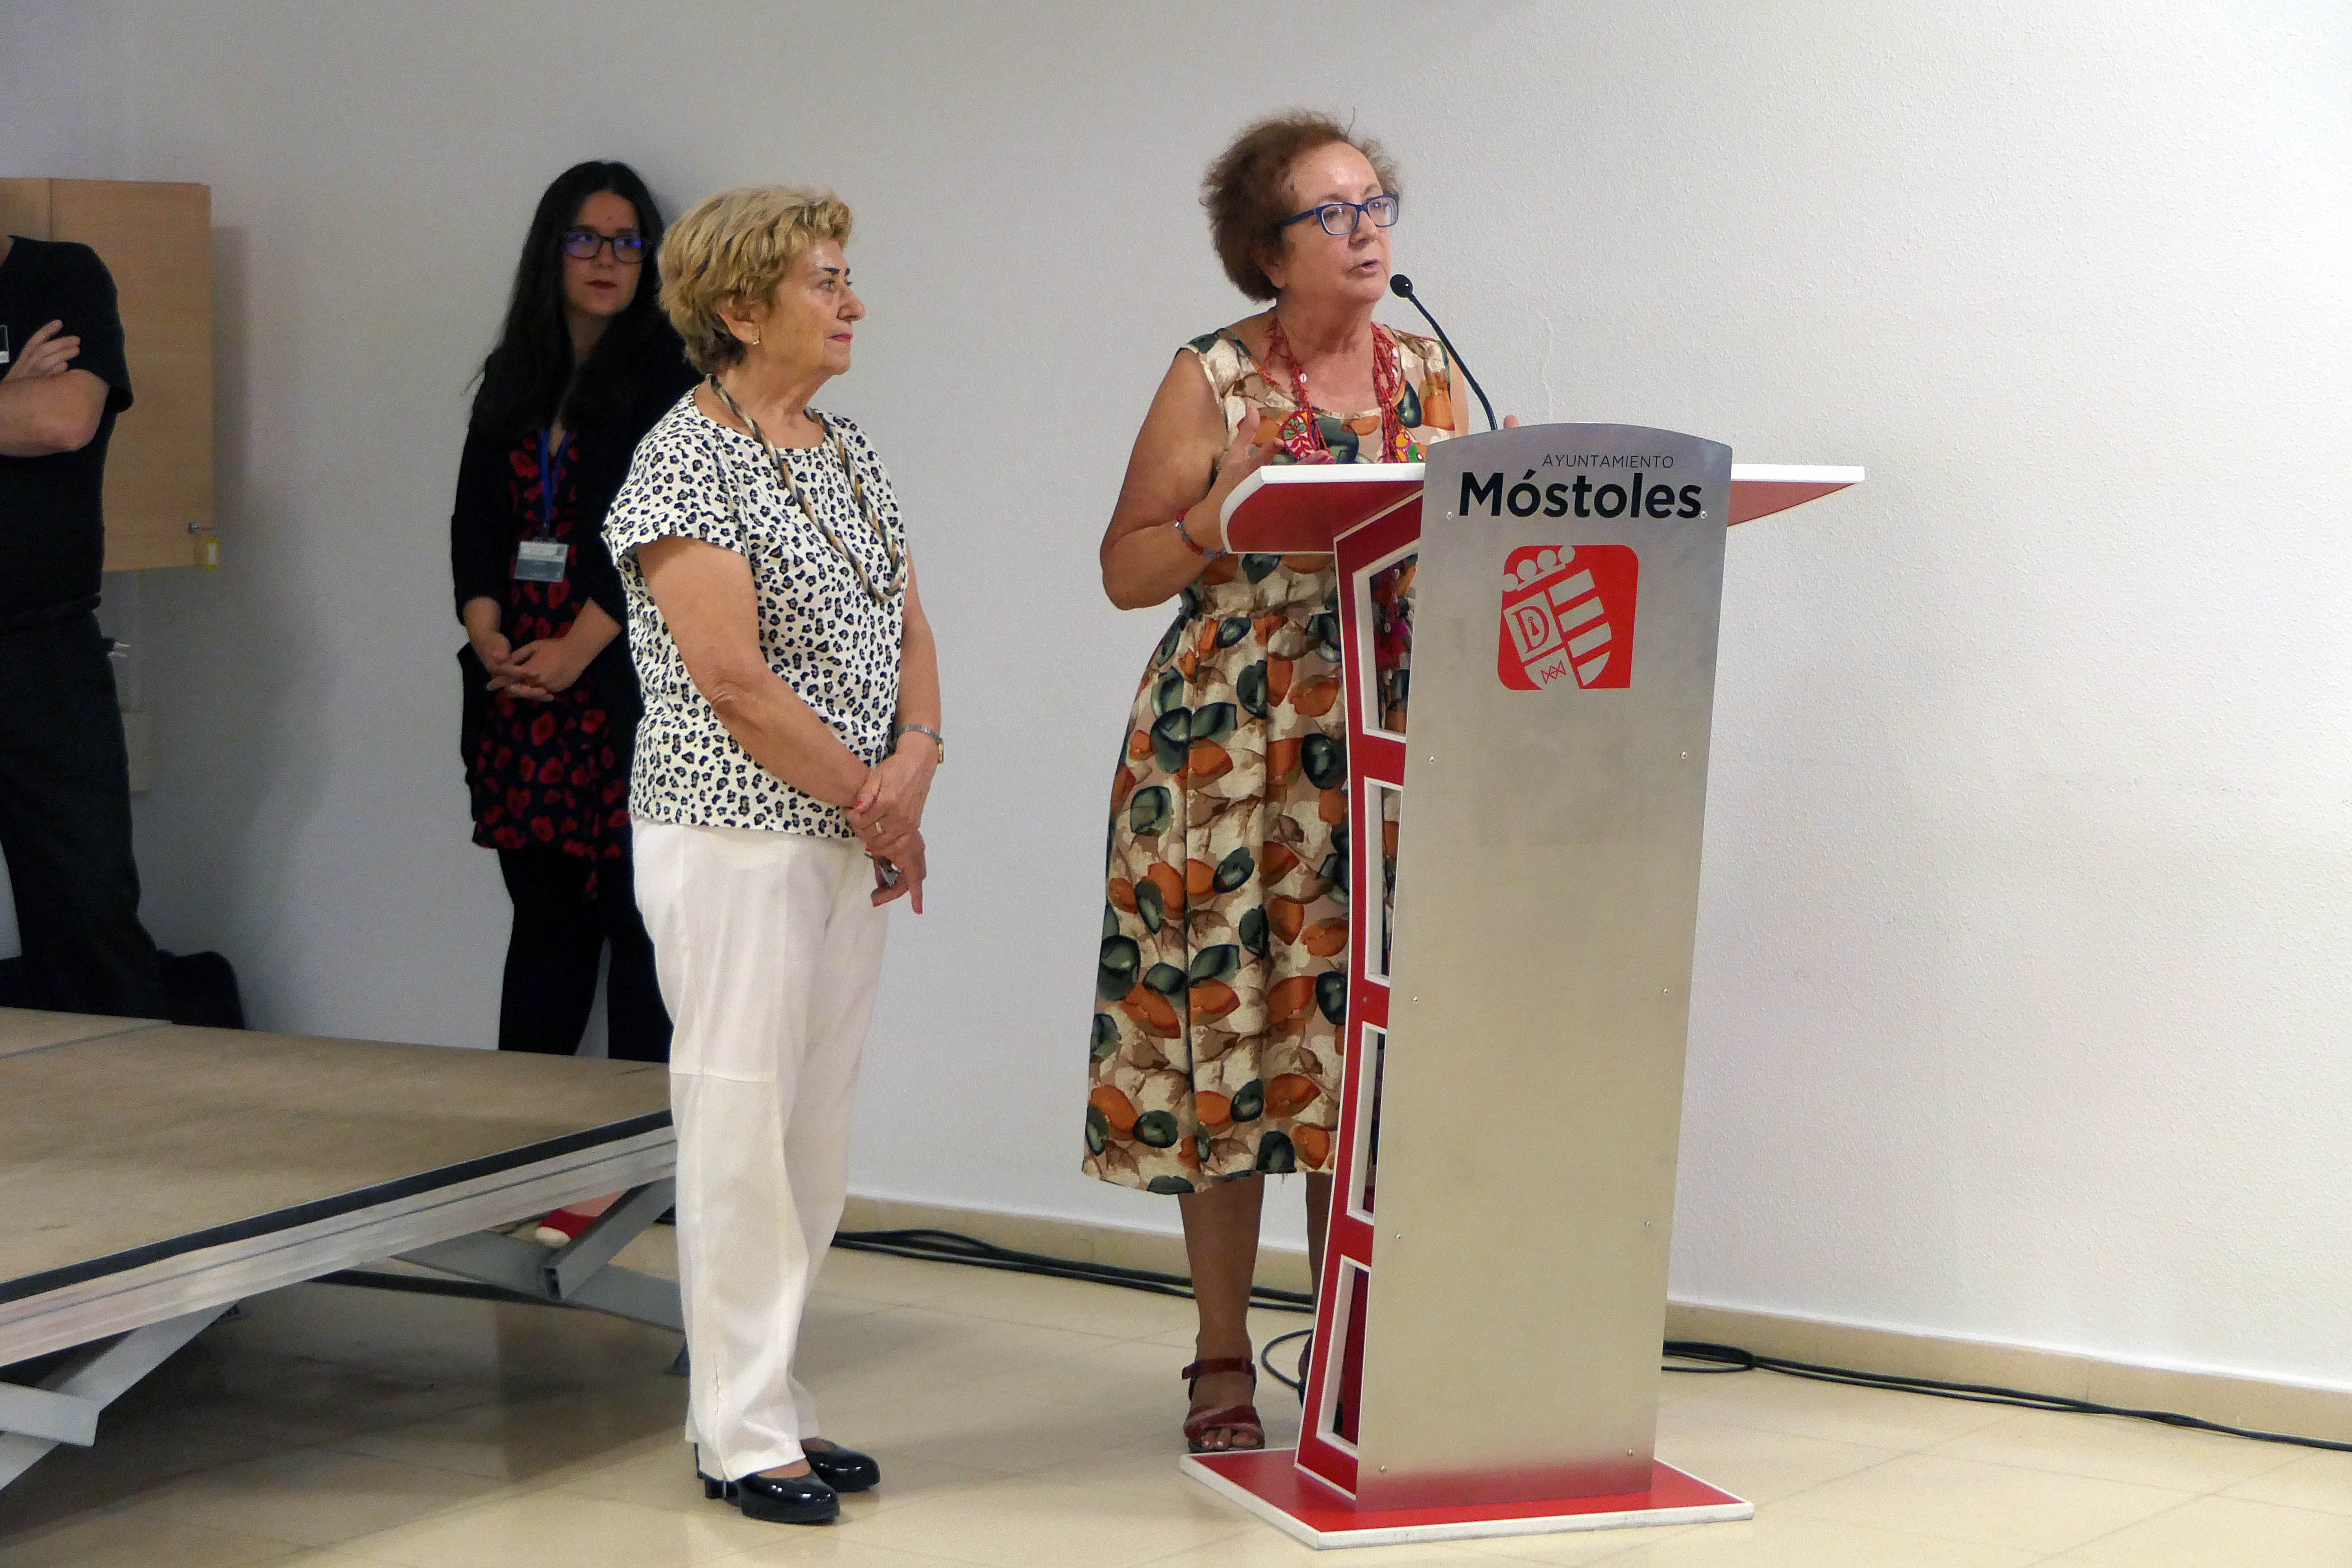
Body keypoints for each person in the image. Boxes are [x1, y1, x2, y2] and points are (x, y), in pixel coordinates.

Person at [1088, 112, 1466, 1454]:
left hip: (1385, 743)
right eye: (1333, 213)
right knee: (1233, 1047)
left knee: (1355, 1056)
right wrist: (1216, 514)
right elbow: (1128, 569)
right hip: (1231, 754)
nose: (1367, 232)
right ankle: (1220, 1358)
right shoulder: (1214, 378)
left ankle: (1353, 1345)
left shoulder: (1430, 373)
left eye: (1377, 206)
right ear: (1268, 248)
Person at [603, 185, 941, 1526]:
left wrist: (917, 756)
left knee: (812, 1136)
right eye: (825, 281)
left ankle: (777, 1400)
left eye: (848, 277)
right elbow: (733, 682)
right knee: (739, 1128)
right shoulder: (681, 462)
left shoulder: (841, 445)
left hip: (845, 830)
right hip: (731, 837)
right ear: (741, 310)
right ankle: (737, 1433)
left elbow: (907, 618)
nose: (854, 303)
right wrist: (877, 802)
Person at [449, 161, 695, 1090]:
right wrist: (487, 631)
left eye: (628, 243)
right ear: (551, 251)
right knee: (543, 924)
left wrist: (579, 649)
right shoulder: (514, 376)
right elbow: (476, 522)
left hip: (619, 690)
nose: (607, 259)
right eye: (586, 238)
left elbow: (660, 535)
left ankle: (639, 1155)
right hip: (520, 689)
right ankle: (516, 1146)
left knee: (638, 924)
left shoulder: (670, 383)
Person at [0, 228, 165, 1020]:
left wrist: (27, 405)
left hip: (45, 651)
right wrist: (7, 395)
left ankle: (129, 1100)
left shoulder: (61, 274)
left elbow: (64, 420)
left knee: (90, 919)